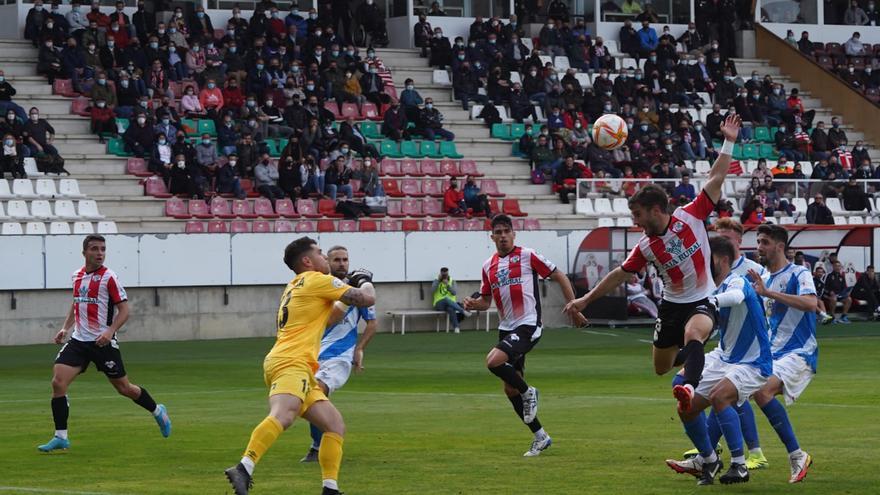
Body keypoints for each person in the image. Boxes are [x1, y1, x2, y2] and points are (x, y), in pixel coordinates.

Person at [565, 115, 742, 413]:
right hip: (671, 306)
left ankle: (688, 385)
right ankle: (702, 358)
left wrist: (729, 141)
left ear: (655, 210)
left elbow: (716, 177)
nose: (634, 222)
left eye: (637, 215)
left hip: (702, 298)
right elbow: (619, 275)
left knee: (694, 333)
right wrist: (585, 299)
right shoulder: (646, 247)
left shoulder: (692, 215)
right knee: (661, 366)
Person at [224, 237, 376, 495]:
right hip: (291, 362)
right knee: (284, 414)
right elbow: (367, 298)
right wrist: (363, 279)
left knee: (334, 425)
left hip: (292, 363)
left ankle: (330, 488)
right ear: (307, 261)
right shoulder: (318, 280)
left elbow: (330, 318)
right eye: (320, 253)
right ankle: (244, 466)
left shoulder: (295, 285)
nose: (325, 258)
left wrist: (349, 284)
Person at [462, 215, 586, 457]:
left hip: (528, 325)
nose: (503, 236)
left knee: (493, 361)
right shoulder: (489, 265)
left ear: (514, 234)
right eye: (498, 232)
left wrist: (574, 308)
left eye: (506, 231)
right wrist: (473, 304)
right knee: (510, 389)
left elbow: (559, 275)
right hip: (507, 328)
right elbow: (486, 302)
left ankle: (529, 392)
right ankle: (541, 436)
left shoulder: (528, 255)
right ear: (492, 237)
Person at [37, 235, 172, 453]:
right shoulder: (77, 276)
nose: (99, 253)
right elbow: (76, 303)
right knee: (58, 382)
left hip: (103, 343)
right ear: (84, 253)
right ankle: (61, 437)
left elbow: (125, 310)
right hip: (79, 341)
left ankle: (158, 411)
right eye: (94, 249)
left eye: (102, 249)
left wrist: (110, 331)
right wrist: (65, 328)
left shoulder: (109, 277)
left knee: (124, 388)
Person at [665, 236, 772, 485]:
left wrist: (708, 302)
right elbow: (711, 326)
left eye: (706, 258)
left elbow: (735, 297)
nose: (702, 263)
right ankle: (709, 458)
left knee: (719, 395)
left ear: (722, 259)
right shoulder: (713, 287)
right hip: (725, 357)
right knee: (685, 402)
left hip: (753, 361)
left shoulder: (737, 280)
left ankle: (739, 465)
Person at [747, 224, 816, 484]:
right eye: (758, 242)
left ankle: (797, 455)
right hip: (772, 354)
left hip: (799, 352)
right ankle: (709, 456)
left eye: (764, 242)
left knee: (761, 391)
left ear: (779, 245)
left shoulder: (800, 273)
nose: (759, 247)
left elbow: (811, 304)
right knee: (728, 392)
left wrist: (769, 293)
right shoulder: (763, 277)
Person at [300, 246, 378, 463]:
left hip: (339, 355)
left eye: (345, 259)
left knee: (316, 394)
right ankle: (319, 445)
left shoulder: (356, 292)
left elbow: (372, 323)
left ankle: (320, 447)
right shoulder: (321, 285)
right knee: (312, 398)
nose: (342, 263)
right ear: (328, 262)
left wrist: (359, 348)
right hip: (312, 352)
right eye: (337, 260)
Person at [432, 267, 471, 334]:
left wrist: (448, 285)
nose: (444, 276)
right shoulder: (436, 281)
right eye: (443, 275)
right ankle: (463, 311)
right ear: (440, 274)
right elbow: (432, 290)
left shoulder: (452, 281)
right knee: (446, 299)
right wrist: (438, 281)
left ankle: (456, 328)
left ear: (448, 274)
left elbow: (454, 292)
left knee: (450, 309)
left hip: (451, 304)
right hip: (438, 304)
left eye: (445, 275)